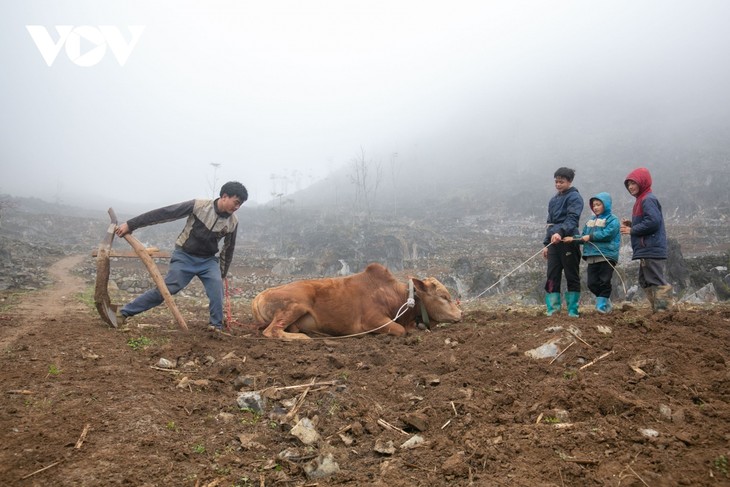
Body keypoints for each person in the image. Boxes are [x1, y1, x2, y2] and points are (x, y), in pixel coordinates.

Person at [115, 181, 248, 331]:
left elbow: (228, 249)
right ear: (224, 196)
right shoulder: (199, 206)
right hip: (185, 256)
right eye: (236, 202)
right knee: (166, 289)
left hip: (208, 261)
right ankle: (124, 313)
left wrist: (221, 273)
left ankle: (216, 327)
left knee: (217, 290)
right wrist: (131, 224)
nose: (237, 207)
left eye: (240, 205)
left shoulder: (233, 222)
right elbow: (165, 213)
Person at [620, 168, 672, 312]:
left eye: (633, 183)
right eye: (628, 184)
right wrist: (633, 224)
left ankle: (664, 312)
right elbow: (649, 221)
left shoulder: (648, 199)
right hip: (646, 248)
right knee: (645, 281)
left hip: (652, 248)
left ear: (642, 182)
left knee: (655, 279)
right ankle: (657, 309)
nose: (630, 187)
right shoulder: (641, 200)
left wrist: (632, 230)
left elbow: (653, 222)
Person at [563, 192, 620, 314]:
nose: (595, 207)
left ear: (606, 205)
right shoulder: (590, 221)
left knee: (604, 281)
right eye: (594, 205)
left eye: (598, 204)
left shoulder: (613, 219)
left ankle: (601, 308)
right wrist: (573, 239)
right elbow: (584, 236)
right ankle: (605, 302)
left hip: (606, 256)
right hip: (592, 257)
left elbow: (608, 234)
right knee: (591, 283)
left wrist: (590, 236)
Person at [542, 167, 584, 317]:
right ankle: (552, 309)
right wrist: (546, 243)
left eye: (561, 182)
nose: (558, 184)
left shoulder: (574, 198)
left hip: (568, 240)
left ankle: (573, 310)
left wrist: (561, 233)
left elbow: (572, 218)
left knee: (571, 274)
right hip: (553, 243)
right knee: (551, 275)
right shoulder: (553, 200)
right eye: (556, 182)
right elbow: (550, 223)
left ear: (569, 181)